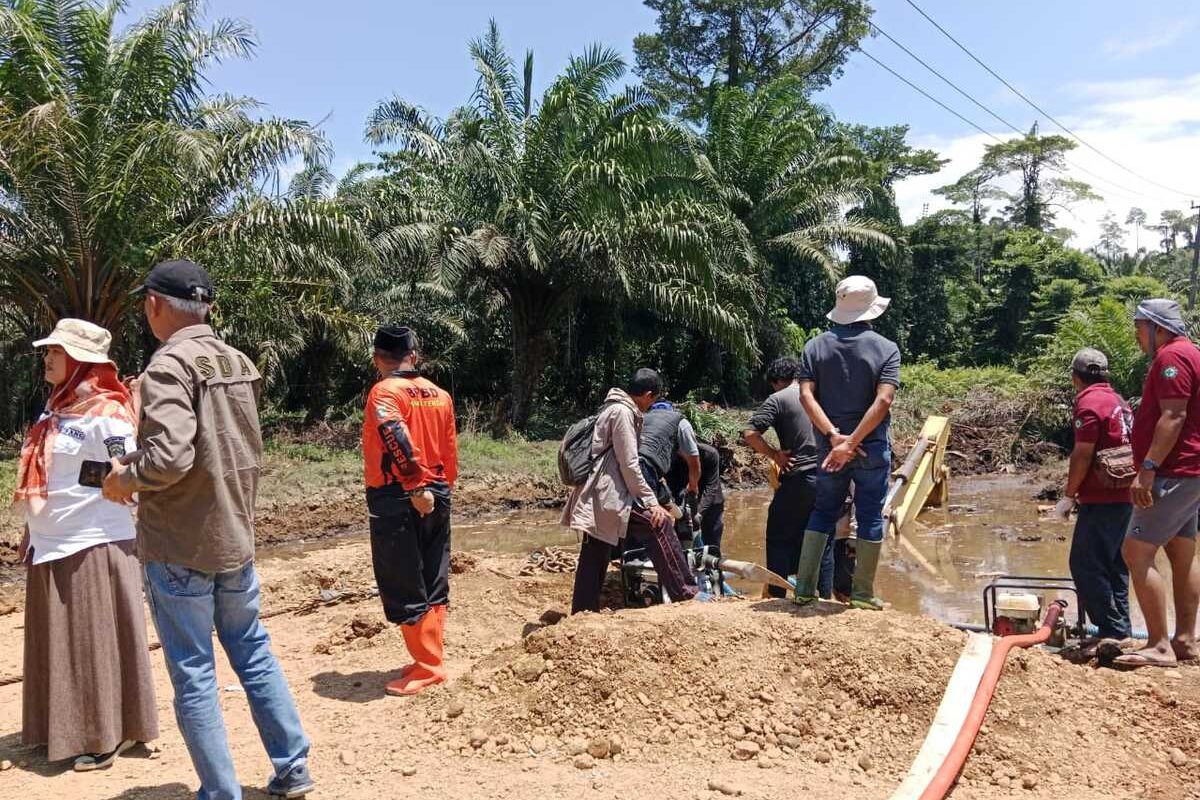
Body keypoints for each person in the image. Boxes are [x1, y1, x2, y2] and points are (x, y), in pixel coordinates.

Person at [102, 260, 313, 800]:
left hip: (180, 543)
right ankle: (293, 768)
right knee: (252, 649)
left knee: (194, 671)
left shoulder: (169, 366)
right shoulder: (237, 361)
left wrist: (125, 479)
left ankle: (221, 792)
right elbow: (229, 447)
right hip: (233, 535)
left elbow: (171, 458)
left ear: (154, 305)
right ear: (208, 308)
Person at [14, 319, 158, 772]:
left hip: (94, 540)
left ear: (82, 361)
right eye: (49, 351)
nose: (48, 358)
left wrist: (80, 484)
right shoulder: (54, 409)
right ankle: (58, 728)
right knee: (60, 640)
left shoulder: (107, 413)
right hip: (51, 540)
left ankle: (104, 735)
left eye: (57, 352)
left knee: (91, 640)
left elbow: (125, 474)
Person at [361, 325, 458, 696]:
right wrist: (440, 487)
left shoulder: (384, 392)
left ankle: (429, 665)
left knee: (403, 580)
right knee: (433, 575)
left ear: (377, 359)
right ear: (414, 356)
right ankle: (428, 657)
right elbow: (450, 448)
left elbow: (394, 436)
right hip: (438, 488)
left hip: (399, 494)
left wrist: (416, 486)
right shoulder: (439, 394)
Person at [796, 275, 900, 610]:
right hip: (870, 448)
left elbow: (805, 396)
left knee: (823, 511)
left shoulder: (814, 347)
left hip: (829, 450)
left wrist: (834, 438)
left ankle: (805, 590)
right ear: (871, 310)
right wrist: (852, 441)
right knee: (869, 515)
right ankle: (862, 595)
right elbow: (883, 402)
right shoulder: (887, 349)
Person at [565, 369, 699, 613]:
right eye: (652, 400)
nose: (651, 406)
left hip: (596, 493)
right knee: (658, 523)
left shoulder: (611, 407)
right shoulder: (624, 412)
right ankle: (686, 594)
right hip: (608, 494)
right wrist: (651, 502)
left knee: (595, 550)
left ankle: (583, 611)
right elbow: (629, 464)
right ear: (648, 395)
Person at [1114, 299, 1200, 668]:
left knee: (1135, 552)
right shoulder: (1193, 354)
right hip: (1190, 471)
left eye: (1138, 329)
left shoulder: (1171, 359)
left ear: (1156, 327)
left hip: (1172, 472)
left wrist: (1147, 468)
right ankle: (1185, 640)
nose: (1137, 337)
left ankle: (1159, 645)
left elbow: (1173, 415)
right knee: (1182, 554)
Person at [1062, 348, 1133, 646]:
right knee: (1115, 564)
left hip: (1102, 498)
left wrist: (1069, 495)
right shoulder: (1120, 401)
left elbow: (1082, 453)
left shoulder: (1089, 403)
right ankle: (1122, 629)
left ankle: (1111, 631)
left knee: (1085, 564)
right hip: (1126, 495)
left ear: (1076, 378)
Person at [743, 357, 823, 599]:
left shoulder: (779, 397)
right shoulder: (820, 393)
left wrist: (774, 454)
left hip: (800, 476)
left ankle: (777, 595)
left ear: (777, 381)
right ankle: (818, 592)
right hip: (831, 475)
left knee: (778, 534)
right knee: (818, 535)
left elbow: (750, 433)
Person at [667, 440, 725, 553]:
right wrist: (677, 510)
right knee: (682, 542)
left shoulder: (710, 453)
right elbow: (672, 486)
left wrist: (699, 513)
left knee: (712, 542)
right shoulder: (672, 455)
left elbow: (711, 486)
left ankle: (712, 566)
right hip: (684, 496)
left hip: (711, 499)